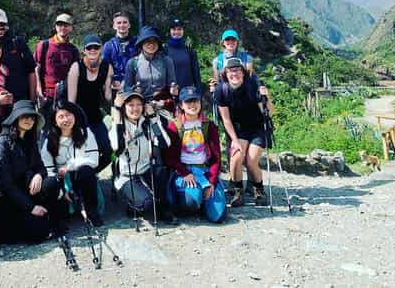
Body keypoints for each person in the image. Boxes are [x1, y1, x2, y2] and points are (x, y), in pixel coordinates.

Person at [0, 100, 61, 244]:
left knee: (51, 183)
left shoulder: (29, 140)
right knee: (38, 233)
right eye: (24, 117)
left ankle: (42, 218)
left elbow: (41, 167)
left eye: (32, 117)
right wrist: (30, 207)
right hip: (7, 199)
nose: (29, 120)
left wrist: (39, 175)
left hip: (25, 191)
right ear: (16, 118)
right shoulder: (2, 144)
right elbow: (6, 184)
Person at [109, 90, 177, 223]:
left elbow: (164, 143)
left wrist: (153, 117)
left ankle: (162, 207)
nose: (135, 108)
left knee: (162, 171)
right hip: (126, 175)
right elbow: (117, 148)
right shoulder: (118, 125)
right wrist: (119, 124)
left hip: (145, 169)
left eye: (139, 104)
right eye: (130, 105)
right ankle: (134, 203)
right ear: (124, 107)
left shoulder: (147, 123)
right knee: (145, 205)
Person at [215, 57, 274, 206]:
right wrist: (234, 141)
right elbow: (226, 119)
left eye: (238, 70)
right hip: (238, 130)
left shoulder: (253, 86)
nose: (234, 74)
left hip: (256, 128)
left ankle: (259, 189)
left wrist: (267, 97)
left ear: (243, 72)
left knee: (251, 160)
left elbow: (269, 113)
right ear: (225, 73)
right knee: (236, 157)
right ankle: (237, 191)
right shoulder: (221, 90)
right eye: (231, 71)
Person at [165, 86, 226, 222]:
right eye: (188, 102)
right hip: (184, 170)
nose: (192, 105)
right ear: (181, 105)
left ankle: (206, 199)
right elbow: (170, 157)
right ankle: (194, 200)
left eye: (195, 101)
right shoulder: (175, 126)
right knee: (190, 203)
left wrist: (211, 181)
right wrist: (184, 173)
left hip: (205, 171)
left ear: (200, 102)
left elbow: (216, 157)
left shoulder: (208, 126)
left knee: (218, 216)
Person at [41, 101, 103, 226]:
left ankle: (92, 211)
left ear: (75, 115)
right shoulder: (50, 140)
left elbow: (94, 160)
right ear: (55, 121)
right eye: (61, 116)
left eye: (68, 114)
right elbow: (47, 168)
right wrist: (62, 191)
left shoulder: (85, 133)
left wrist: (69, 166)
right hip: (63, 179)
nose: (66, 119)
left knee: (86, 171)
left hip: (82, 175)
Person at [67, 34, 113, 172]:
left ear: (101, 49)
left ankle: (92, 175)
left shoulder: (107, 67)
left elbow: (108, 96)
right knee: (81, 151)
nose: (93, 50)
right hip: (79, 117)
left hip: (96, 117)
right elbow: (71, 100)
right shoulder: (76, 67)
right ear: (84, 50)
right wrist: (73, 124)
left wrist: (117, 89)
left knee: (107, 151)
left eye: (96, 47)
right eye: (89, 48)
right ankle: (81, 180)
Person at [34, 12, 80, 131]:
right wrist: (39, 93)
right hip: (46, 96)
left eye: (66, 25)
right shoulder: (44, 45)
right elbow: (36, 69)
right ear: (55, 26)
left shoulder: (73, 50)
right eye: (59, 25)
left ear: (71, 27)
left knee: (63, 131)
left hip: (65, 97)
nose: (62, 28)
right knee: (45, 131)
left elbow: (75, 76)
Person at [0, 8, 36, 102]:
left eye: (2, 24)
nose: (0, 28)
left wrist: (32, 100)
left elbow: (31, 71)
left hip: (19, 100)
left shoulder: (18, 42)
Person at [123, 25, 178, 106]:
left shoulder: (166, 61)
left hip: (163, 105)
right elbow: (126, 88)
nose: (151, 44)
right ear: (141, 43)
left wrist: (173, 89)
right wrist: (133, 90)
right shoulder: (132, 63)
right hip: (140, 106)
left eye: (154, 41)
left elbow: (172, 83)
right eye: (147, 41)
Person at [163, 18, 202, 94]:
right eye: (174, 29)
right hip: (169, 94)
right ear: (170, 31)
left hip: (187, 94)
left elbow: (196, 76)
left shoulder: (190, 51)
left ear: (183, 31)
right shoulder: (164, 51)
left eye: (179, 29)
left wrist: (199, 93)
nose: (176, 32)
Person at [102, 11, 137, 93]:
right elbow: (105, 67)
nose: (122, 25)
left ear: (129, 25)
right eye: (119, 23)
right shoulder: (108, 45)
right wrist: (112, 81)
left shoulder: (137, 43)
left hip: (134, 86)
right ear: (114, 26)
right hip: (116, 88)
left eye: (125, 22)